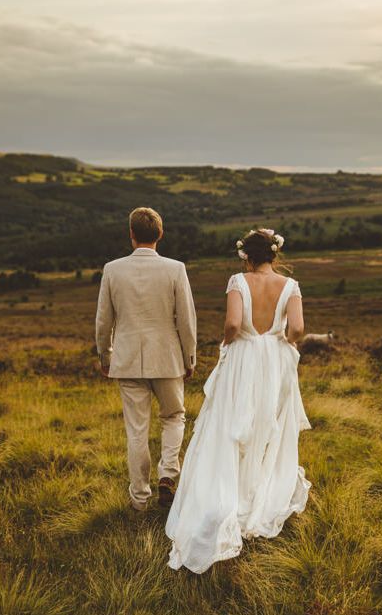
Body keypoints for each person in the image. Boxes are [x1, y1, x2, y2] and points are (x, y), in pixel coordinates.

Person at [165, 228, 311, 574]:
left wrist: (229, 341)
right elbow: (298, 329)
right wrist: (283, 342)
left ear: (246, 255)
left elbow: (232, 323)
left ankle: (228, 495)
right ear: (275, 255)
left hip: (244, 357)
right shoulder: (290, 287)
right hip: (274, 362)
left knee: (230, 426)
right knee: (266, 427)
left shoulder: (237, 281)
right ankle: (256, 493)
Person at [95, 207, 197, 511]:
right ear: (160, 234)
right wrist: (189, 357)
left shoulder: (112, 269)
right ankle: (168, 474)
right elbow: (186, 320)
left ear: (131, 234)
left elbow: (103, 321)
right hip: (167, 356)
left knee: (136, 430)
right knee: (174, 416)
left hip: (126, 360)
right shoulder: (175, 268)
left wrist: (105, 356)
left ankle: (139, 499)